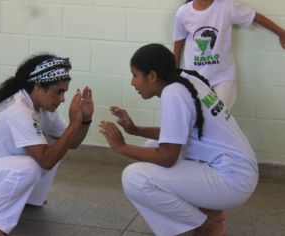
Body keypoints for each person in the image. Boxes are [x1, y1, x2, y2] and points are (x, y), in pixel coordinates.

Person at [99, 43, 258, 236]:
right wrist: (136, 130)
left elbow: (167, 157)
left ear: (152, 76)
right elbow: (176, 135)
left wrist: (121, 147)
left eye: (135, 75)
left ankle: (206, 225)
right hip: (238, 170)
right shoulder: (186, 79)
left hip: (232, 180)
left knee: (135, 178)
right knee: (152, 146)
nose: (132, 83)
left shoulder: (173, 94)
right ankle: (212, 211)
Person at [0, 54, 94, 236]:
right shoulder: (19, 110)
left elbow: (72, 143)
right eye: (58, 92)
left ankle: (32, 198)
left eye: (64, 92)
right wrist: (74, 123)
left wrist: (85, 120)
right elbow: (46, 161)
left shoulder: (43, 107)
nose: (62, 99)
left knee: (58, 142)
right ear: (38, 87)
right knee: (31, 165)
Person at [173, 0, 285, 108]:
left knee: (218, 117)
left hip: (222, 77)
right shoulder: (183, 13)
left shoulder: (227, 6)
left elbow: (254, 16)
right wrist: (173, 72)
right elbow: (178, 44)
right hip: (195, 78)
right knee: (199, 118)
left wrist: (281, 33)